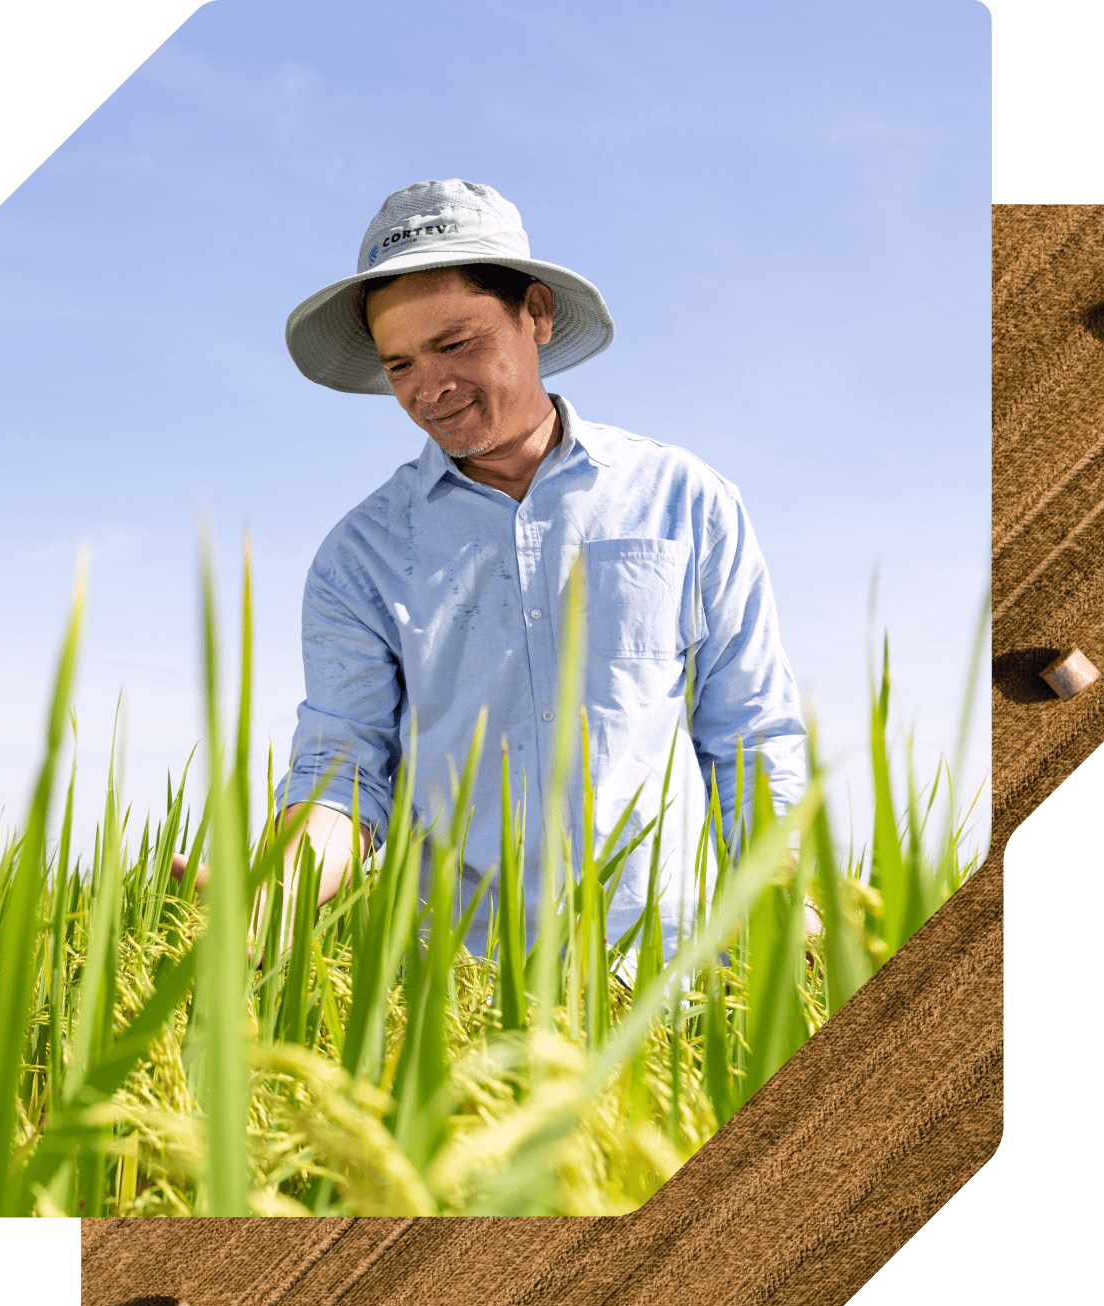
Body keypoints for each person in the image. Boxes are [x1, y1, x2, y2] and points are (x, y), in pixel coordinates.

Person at [176, 179, 815, 952]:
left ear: (535, 315)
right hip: (460, 986)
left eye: (455, 344)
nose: (428, 388)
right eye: (400, 362)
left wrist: (792, 902)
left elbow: (748, 731)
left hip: (669, 978)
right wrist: (285, 886)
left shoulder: (684, 498)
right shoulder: (360, 557)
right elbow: (344, 766)